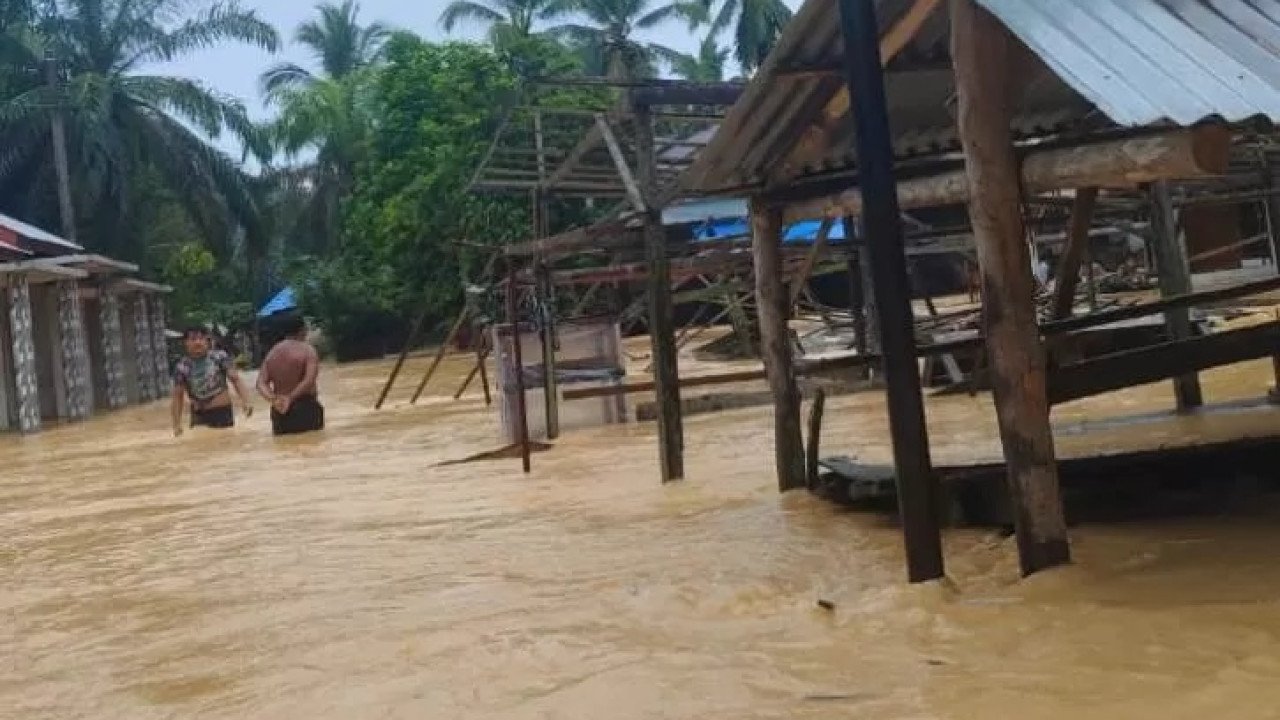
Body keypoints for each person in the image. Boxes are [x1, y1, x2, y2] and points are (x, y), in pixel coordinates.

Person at [171, 326, 253, 437]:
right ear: (186, 343)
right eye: (193, 339)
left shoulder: (219, 357)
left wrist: (246, 402)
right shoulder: (182, 367)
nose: (198, 342)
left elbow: (235, 379)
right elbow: (177, 396)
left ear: (207, 341)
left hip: (221, 412)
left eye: (201, 338)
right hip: (198, 415)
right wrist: (176, 424)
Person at [256, 313, 324, 436]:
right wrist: (290, 398)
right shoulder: (308, 350)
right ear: (302, 330)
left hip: (280, 410)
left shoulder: (272, 353)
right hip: (305, 407)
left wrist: (274, 399)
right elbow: (309, 381)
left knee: (284, 450)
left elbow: (260, 383)